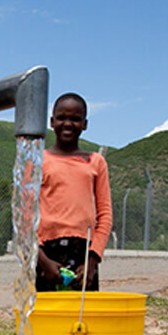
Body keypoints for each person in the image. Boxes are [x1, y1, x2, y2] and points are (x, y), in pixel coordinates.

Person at [36, 92, 112, 291]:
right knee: (47, 316)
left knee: (82, 317)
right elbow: (25, 216)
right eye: (62, 118)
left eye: (75, 119)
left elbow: (104, 215)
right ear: (52, 122)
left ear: (85, 124)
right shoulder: (37, 161)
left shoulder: (95, 162)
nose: (67, 123)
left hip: (83, 255)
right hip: (45, 252)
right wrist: (42, 260)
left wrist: (93, 260)